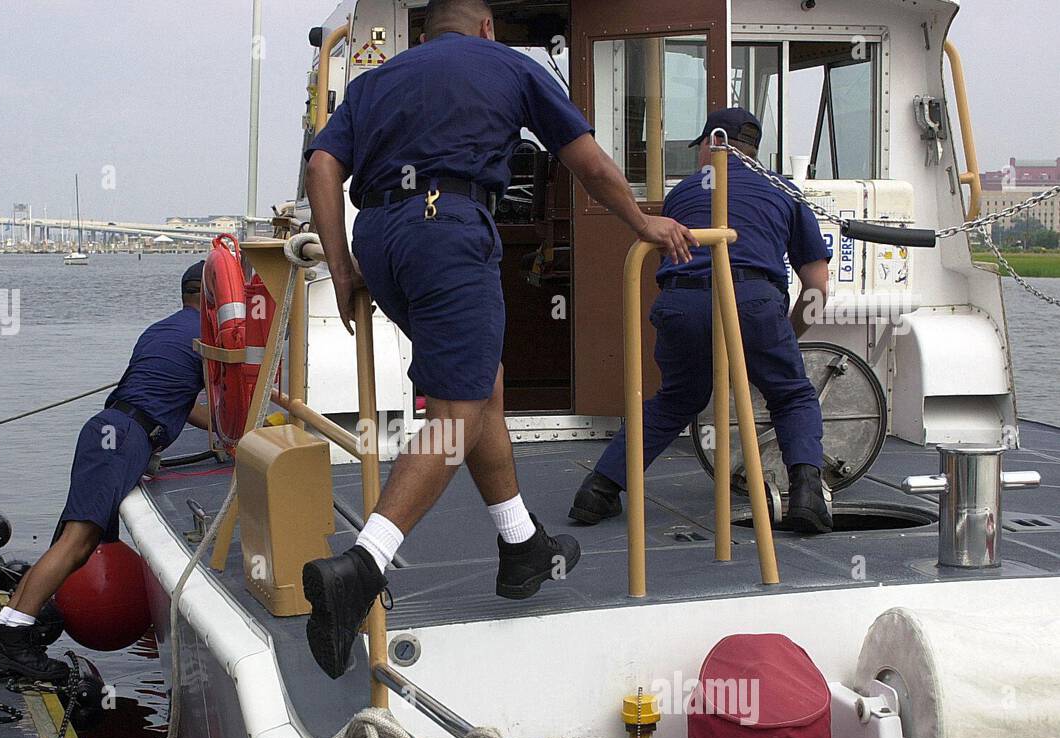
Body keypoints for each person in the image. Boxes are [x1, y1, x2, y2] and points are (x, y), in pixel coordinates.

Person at [301, 0, 696, 678]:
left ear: (425, 34)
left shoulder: (373, 82)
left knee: (483, 384)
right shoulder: (507, 65)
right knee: (456, 412)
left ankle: (522, 546)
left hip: (381, 240)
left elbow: (322, 170)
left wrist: (340, 267)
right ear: (485, 27)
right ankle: (361, 566)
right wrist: (643, 223)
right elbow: (591, 165)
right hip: (447, 228)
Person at [570, 108, 834, 534]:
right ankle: (806, 495)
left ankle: (598, 490)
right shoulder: (785, 191)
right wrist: (789, 331)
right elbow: (817, 286)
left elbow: (668, 258)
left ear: (712, 146)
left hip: (681, 303)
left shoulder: (681, 195)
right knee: (791, 395)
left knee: (675, 399)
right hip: (753, 301)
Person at [0, 263, 210, 683]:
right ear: (214, 296)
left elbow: (174, 399)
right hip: (124, 440)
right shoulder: (205, 339)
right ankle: (14, 635)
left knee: (69, 540)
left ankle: (6, 630)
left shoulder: (161, 331)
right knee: (78, 543)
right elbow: (226, 402)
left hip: (105, 428)